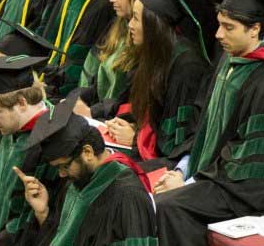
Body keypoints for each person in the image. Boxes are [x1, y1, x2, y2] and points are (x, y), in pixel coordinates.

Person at [150, 0, 264, 243]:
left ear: (255, 29)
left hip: (247, 190)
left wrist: (191, 184)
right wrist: (182, 171)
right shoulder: (231, 62)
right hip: (219, 176)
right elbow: (205, 129)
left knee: (169, 206)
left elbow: (251, 165)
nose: (218, 35)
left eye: (228, 27)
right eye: (220, 25)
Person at [20, 95, 162, 244]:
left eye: (65, 166)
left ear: (87, 152)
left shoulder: (128, 196)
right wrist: (43, 212)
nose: (61, 174)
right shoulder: (77, 182)